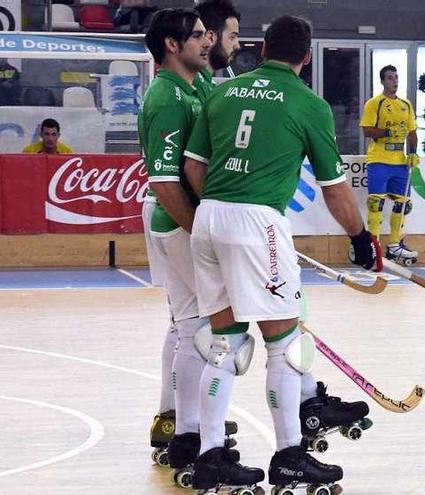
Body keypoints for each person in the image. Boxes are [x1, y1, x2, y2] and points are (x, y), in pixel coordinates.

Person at [182, 14, 380, 493]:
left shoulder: (224, 92)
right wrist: (360, 239)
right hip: (258, 222)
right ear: (307, 58)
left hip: (208, 217)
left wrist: (224, 209)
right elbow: (335, 190)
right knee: (285, 346)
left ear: (262, 48)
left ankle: (210, 456)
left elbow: (192, 165)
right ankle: (290, 455)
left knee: (225, 343)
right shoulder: (309, 104)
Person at [137, 7, 214, 477]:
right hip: (176, 218)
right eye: (199, 36)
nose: (207, 43)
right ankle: (188, 430)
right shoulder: (167, 97)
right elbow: (165, 181)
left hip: (182, 218)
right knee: (195, 325)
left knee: (186, 324)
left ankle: (182, 426)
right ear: (171, 45)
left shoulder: (194, 84)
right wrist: (203, 233)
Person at [359, 64, 420, 265]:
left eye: (396, 77)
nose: (394, 81)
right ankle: (373, 245)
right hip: (379, 160)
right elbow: (367, 130)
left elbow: (412, 133)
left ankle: (394, 245)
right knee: (376, 203)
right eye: (390, 78)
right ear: (383, 81)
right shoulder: (375, 103)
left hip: (399, 162)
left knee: (404, 204)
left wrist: (412, 153)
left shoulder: (406, 105)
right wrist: (387, 133)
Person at [193, 0, 241, 100]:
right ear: (211, 37)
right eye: (232, 37)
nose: (237, 46)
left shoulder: (207, 84)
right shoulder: (192, 86)